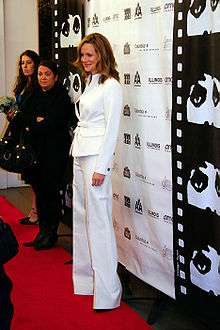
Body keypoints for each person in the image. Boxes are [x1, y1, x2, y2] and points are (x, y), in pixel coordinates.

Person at [70, 33, 123, 310]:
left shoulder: (111, 85)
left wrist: (102, 167)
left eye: (90, 54)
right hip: (80, 153)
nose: (85, 60)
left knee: (99, 223)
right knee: (81, 218)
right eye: (83, 55)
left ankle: (108, 293)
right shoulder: (91, 82)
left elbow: (112, 129)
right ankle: (85, 282)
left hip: (95, 160)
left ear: (102, 53)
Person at [13, 60, 73, 250]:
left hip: (54, 155)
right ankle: (43, 231)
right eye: (40, 74)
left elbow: (53, 123)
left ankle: (51, 233)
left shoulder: (62, 97)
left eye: (47, 74)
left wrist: (36, 123)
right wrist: (36, 120)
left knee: (51, 194)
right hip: (35, 154)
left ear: (55, 77)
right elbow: (22, 117)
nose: (43, 78)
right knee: (39, 193)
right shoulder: (33, 94)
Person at [12, 50, 40, 225]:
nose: (25, 66)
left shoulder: (38, 85)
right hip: (24, 133)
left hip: (34, 135)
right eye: (23, 63)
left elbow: (35, 113)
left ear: (36, 64)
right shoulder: (23, 84)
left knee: (35, 176)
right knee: (30, 176)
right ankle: (34, 210)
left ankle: (36, 212)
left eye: (29, 62)